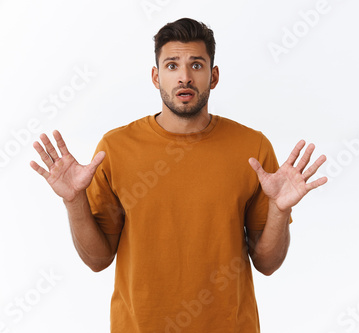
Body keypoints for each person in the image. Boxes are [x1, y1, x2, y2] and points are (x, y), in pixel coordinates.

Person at [30, 17, 327, 333]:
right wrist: (74, 201)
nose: (184, 77)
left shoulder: (252, 148)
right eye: (172, 66)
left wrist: (280, 210)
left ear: (213, 76)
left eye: (196, 66)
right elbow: (97, 260)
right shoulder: (115, 149)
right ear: (156, 76)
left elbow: (267, 263)